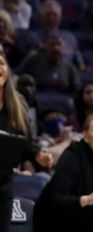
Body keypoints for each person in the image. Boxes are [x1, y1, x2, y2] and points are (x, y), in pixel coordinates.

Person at [0, 50, 53, 232]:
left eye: (2, 63)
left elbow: (26, 143)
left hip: (3, 186)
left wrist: (38, 155)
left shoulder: (17, 105)